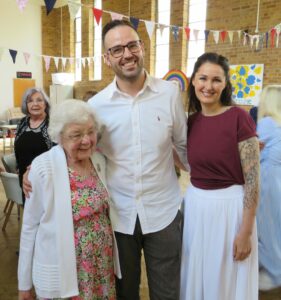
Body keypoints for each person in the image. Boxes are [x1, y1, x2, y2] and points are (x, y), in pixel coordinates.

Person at [88, 20, 187, 300]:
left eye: (132, 45)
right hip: (119, 216)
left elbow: (184, 146)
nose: (127, 54)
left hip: (164, 212)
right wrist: (39, 170)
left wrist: (222, 177)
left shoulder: (169, 94)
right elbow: (79, 150)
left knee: (168, 292)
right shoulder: (97, 106)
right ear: (107, 59)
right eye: (116, 49)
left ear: (142, 48)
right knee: (125, 292)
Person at [18, 100, 120, 300]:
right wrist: (24, 284)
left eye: (90, 132)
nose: (87, 140)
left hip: (100, 269)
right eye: (76, 135)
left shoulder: (99, 160)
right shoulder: (43, 167)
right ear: (59, 137)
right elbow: (30, 226)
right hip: (64, 270)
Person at [180, 52, 260, 300]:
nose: (208, 86)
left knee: (224, 281)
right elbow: (193, 165)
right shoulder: (190, 121)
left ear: (226, 84)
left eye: (216, 80)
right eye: (203, 78)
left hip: (230, 211)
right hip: (195, 208)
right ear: (193, 80)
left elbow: (253, 182)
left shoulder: (239, 118)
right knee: (198, 276)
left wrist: (245, 232)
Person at [256, 85, 281, 290]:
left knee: (266, 227)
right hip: (278, 179)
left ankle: (273, 272)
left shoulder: (267, 123)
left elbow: (252, 151)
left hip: (268, 180)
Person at [14, 87, 53, 205]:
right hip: (25, 181)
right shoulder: (22, 122)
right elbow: (18, 148)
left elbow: (57, 154)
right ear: (26, 105)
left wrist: (33, 168)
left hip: (46, 180)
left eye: (39, 100)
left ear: (45, 104)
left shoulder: (53, 124)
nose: (35, 104)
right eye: (30, 101)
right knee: (30, 219)